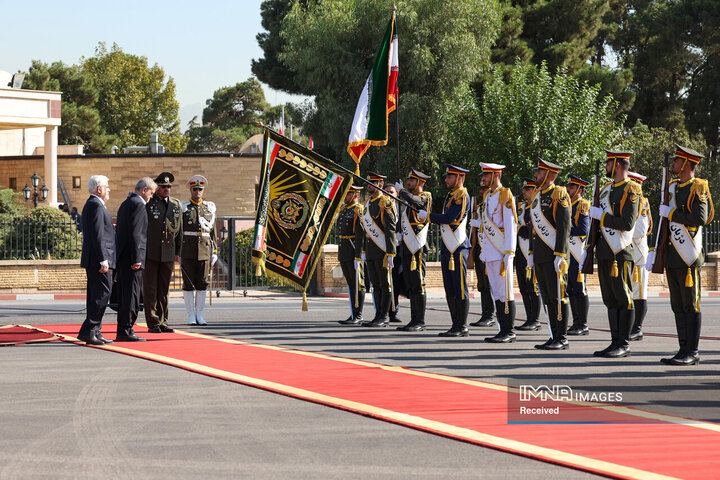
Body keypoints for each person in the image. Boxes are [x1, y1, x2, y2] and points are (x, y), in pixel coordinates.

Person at [647, 145, 714, 365]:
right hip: (673, 256)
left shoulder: (698, 187)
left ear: (686, 164)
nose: (674, 164)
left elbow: (701, 218)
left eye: (677, 161)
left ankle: (692, 352)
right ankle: (682, 348)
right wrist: (655, 250)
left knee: (690, 304)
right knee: (677, 305)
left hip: (688, 257)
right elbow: (662, 226)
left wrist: (673, 213)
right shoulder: (672, 187)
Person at [587, 150, 640, 358]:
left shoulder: (632, 189)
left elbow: (627, 224)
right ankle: (614, 341)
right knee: (610, 299)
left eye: (609, 162)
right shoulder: (607, 189)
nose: (607, 166)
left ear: (617, 164)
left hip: (621, 252)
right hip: (605, 252)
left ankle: (624, 344)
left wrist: (603, 216)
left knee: (623, 298)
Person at [418, 165, 471, 337]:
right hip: (448, 248)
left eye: (449, 177)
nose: (446, 180)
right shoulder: (451, 195)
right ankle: (455, 324)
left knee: (459, 287)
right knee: (450, 287)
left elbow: (450, 218)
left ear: (458, 178)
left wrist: (429, 216)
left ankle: (462, 325)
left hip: (458, 247)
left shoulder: (462, 195)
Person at [471, 163, 518, 343]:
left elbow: (510, 225)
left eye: (486, 175)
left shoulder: (504, 195)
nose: (483, 178)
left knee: (506, 292)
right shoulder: (489, 196)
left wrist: (510, 252)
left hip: (501, 250)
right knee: (496, 293)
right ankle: (502, 329)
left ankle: (509, 330)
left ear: (495, 175)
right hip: (490, 250)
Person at [528, 160, 571, 350]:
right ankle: (553, 335)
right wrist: (531, 251)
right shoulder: (537, 195)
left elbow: (564, 227)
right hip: (540, 255)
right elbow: (533, 229)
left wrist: (560, 254)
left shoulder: (558, 194)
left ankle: (562, 337)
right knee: (547, 297)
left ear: (550, 175)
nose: (536, 175)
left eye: (540, 172)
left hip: (554, 255)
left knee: (558, 296)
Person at [115, 177, 156, 342]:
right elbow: (136, 234)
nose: (151, 197)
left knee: (126, 295)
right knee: (132, 295)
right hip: (132, 259)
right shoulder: (138, 204)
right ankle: (126, 330)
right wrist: (137, 258)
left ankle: (123, 329)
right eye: (151, 193)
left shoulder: (127, 202)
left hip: (123, 257)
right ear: (144, 190)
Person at [77, 175, 115, 346]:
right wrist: (103, 259)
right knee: (102, 294)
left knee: (98, 294)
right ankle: (89, 329)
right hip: (97, 260)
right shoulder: (95, 205)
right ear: (99, 189)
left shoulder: (95, 204)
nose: (109, 190)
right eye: (107, 187)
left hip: (96, 258)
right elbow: (97, 235)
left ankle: (95, 330)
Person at [144, 171, 183, 334]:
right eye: (163, 186)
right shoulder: (149, 204)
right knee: (151, 289)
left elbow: (179, 230)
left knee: (164, 289)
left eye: (169, 186)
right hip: (151, 252)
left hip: (168, 252)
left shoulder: (176, 204)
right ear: (157, 187)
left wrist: (178, 252)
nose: (166, 189)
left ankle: (163, 321)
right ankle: (153, 322)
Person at [394, 169, 432, 332]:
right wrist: (398, 231)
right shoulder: (408, 201)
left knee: (418, 283)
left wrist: (401, 191)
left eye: (411, 180)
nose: (408, 182)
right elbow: (403, 217)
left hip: (418, 247)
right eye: (408, 180)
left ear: (420, 183)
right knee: (410, 284)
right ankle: (413, 319)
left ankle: (420, 320)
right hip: (407, 247)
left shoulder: (425, 196)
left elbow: (417, 202)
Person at [360, 172, 397, 327]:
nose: (369, 186)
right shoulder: (368, 202)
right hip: (371, 250)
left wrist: (390, 252)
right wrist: (363, 250)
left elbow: (390, 228)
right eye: (369, 183)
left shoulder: (385, 202)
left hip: (382, 250)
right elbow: (365, 230)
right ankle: (377, 314)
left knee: (385, 283)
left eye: (372, 183)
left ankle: (384, 316)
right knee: (375, 284)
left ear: (380, 185)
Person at [181, 175, 218, 326]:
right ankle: (191, 315)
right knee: (188, 283)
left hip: (204, 250)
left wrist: (215, 252)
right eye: (195, 189)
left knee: (202, 283)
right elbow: (180, 230)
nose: (197, 192)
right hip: (188, 249)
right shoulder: (184, 207)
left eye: (200, 189)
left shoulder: (209, 208)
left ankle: (200, 315)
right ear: (190, 189)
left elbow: (213, 232)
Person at [337, 185, 367, 325]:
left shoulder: (358, 210)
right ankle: (353, 313)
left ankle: (359, 315)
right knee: (351, 283)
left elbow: (361, 235)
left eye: (348, 194)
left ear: (355, 195)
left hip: (353, 249)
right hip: (344, 250)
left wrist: (359, 255)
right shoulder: (344, 210)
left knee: (358, 284)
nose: (345, 197)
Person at [565, 175, 591, 336]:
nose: (568, 190)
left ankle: (583, 324)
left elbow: (583, 230)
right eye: (568, 187)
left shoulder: (583, 205)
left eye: (572, 188)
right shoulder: (566, 205)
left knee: (580, 288)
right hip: (568, 252)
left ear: (579, 190)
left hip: (578, 252)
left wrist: (564, 230)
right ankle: (575, 322)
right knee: (570, 288)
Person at [515, 178, 542, 332]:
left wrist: (518, 228)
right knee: (523, 288)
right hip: (520, 252)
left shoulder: (535, 208)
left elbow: (530, 230)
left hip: (531, 251)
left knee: (533, 288)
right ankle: (528, 318)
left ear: (534, 191)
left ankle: (535, 320)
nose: (525, 192)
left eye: (528, 189)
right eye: (524, 189)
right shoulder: (521, 207)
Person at [627, 171, 651, 341]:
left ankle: (637, 328)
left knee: (639, 292)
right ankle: (630, 326)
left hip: (638, 254)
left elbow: (641, 231)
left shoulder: (642, 204)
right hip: (628, 254)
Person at [469, 183, 497, 328]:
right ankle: (485, 313)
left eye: (484, 189)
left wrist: (479, 223)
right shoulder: (479, 207)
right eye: (481, 189)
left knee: (489, 283)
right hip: (480, 248)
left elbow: (494, 226)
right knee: (482, 285)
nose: (481, 192)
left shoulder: (493, 207)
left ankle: (490, 314)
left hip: (490, 249)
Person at [384, 183, 406, 323]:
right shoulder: (382, 208)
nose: (389, 194)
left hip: (398, 250)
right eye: (386, 192)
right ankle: (382, 311)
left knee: (396, 281)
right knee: (384, 282)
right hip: (384, 249)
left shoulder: (402, 208)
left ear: (397, 194)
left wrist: (401, 234)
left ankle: (393, 311)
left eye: (392, 192)